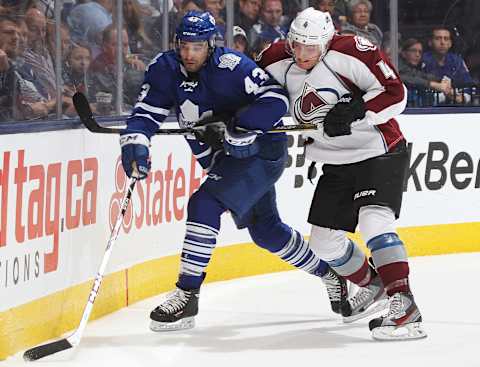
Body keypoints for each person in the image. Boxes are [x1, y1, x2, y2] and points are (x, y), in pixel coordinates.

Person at [119, 10, 348, 331]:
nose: (189, 54)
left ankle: (187, 295)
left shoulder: (231, 66)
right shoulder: (164, 68)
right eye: (184, 46)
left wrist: (240, 127)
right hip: (221, 160)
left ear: (210, 45)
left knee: (204, 204)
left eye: (197, 47)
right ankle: (331, 275)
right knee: (266, 232)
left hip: (259, 154)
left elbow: (275, 98)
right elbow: (146, 111)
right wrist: (136, 142)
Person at [257, 7, 426, 341]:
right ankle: (374, 285)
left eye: (311, 47)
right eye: (298, 45)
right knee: (323, 241)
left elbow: (396, 93)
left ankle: (404, 306)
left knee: (374, 221)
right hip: (335, 159)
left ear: (327, 42)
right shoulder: (274, 58)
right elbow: (246, 92)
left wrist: (357, 110)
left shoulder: (352, 51)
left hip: (378, 149)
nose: (303, 55)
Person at [422, 27, 473, 104]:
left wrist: (462, 98)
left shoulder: (457, 60)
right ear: (430, 42)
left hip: (457, 108)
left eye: (446, 39)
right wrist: (445, 95)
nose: (442, 42)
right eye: (438, 38)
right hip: (428, 110)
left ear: (450, 44)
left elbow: (469, 86)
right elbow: (418, 88)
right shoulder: (422, 60)